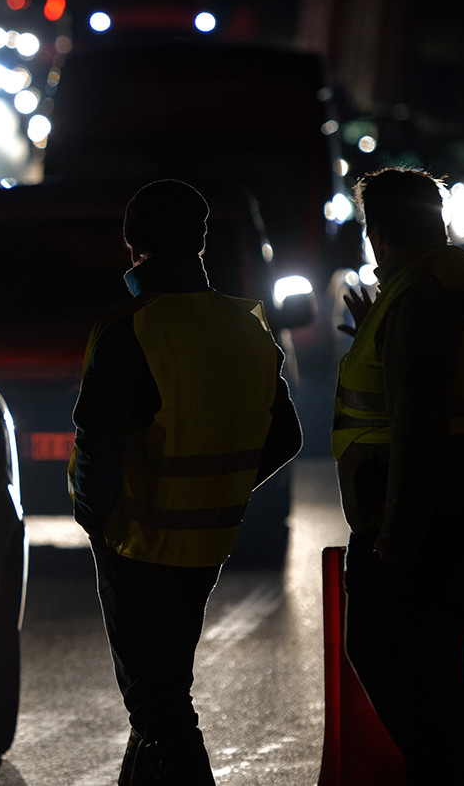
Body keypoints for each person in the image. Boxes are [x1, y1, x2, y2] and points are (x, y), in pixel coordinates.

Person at [70, 179, 302, 786]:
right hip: (206, 545)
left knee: (157, 704)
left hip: (136, 543)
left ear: (132, 246)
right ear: (201, 241)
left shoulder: (128, 331)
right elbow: (286, 439)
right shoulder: (246, 327)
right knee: (163, 689)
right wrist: (217, 493)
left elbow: (99, 445)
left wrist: (99, 525)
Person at [334, 167, 464, 784]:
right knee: (436, 664)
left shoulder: (422, 291)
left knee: (381, 647)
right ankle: (445, 769)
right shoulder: (447, 275)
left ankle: (445, 774)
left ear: (378, 233)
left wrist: (398, 532)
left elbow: (419, 420)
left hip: (428, 508)